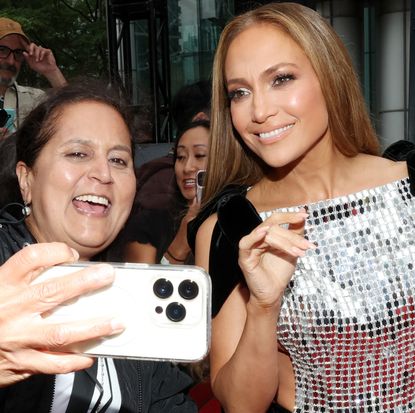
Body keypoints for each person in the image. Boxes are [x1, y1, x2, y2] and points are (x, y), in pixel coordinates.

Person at [190, 3, 415, 413]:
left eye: (281, 79)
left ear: (329, 76)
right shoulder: (231, 228)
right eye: (239, 92)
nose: (259, 112)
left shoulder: (409, 187)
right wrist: (263, 306)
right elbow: (241, 405)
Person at [0, 81, 196, 412]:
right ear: (26, 179)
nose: (103, 173)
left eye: (119, 160)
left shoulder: (130, 294)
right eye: (78, 154)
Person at [123, 119, 210, 264]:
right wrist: (180, 245)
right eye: (180, 157)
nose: (187, 167)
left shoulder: (238, 214)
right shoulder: (149, 224)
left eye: (200, 155)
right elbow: (143, 285)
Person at [0, 17, 66, 135]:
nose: (11, 61)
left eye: (18, 53)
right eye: (2, 50)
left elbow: (76, 116)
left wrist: (51, 71)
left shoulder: (35, 99)